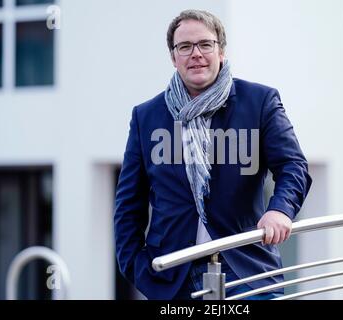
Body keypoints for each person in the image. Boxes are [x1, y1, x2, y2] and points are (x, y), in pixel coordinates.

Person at [114, 9, 312, 300]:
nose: (196, 54)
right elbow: (128, 204)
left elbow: (293, 166)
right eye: (185, 47)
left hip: (246, 271)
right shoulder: (147, 116)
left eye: (205, 44)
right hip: (172, 278)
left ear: (221, 51)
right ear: (173, 57)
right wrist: (135, 266)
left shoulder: (259, 102)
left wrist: (280, 209)